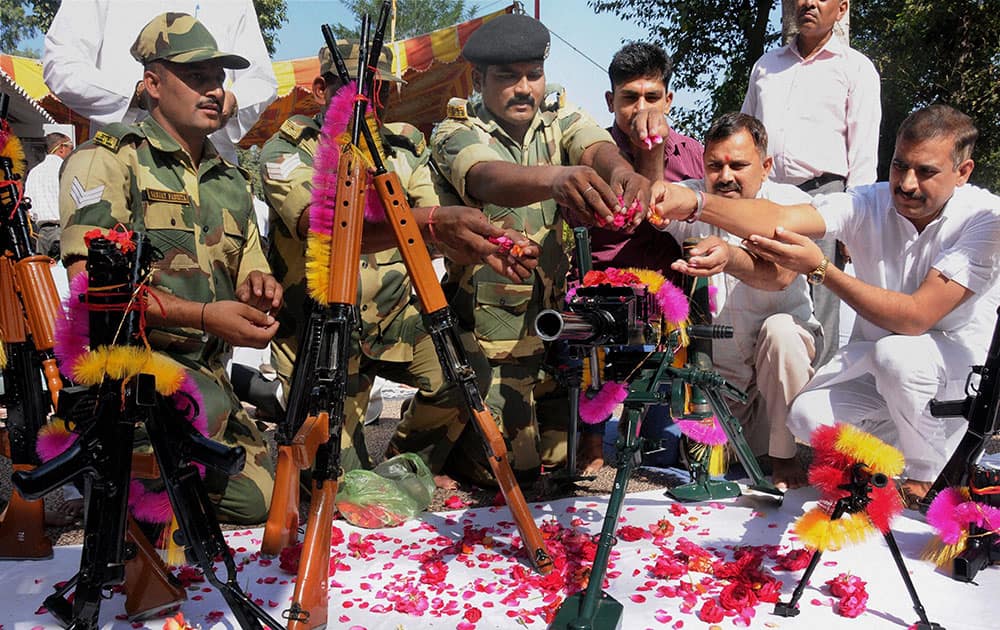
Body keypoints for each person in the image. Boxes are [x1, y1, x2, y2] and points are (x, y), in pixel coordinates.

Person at [654, 104, 1000, 505]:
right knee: (807, 416)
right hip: (875, 366)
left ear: (963, 172)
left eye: (925, 172)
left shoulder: (985, 219)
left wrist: (822, 270)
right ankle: (885, 464)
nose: (905, 184)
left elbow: (915, 317)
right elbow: (782, 218)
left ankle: (930, 476)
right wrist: (694, 203)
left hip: (952, 377)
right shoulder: (869, 202)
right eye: (899, 166)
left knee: (896, 356)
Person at [261, 41, 537, 487]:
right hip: (322, 332)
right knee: (340, 485)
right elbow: (326, 227)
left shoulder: (403, 147)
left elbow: (439, 228)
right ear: (319, 90)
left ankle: (408, 457)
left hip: (393, 318)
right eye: (355, 87)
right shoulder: (289, 150)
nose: (370, 101)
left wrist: (490, 244)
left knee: (465, 373)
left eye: (381, 91)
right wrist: (432, 224)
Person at [58, 12, 281, 524]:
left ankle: (154, 478)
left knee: (260, 502)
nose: (214, 92)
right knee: (177, 486)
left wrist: (259, 290)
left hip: (206, 371)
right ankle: (119, 474)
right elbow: (91, 288)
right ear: (153, 85)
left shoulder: (228, 179)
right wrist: (204, 316)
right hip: (131, 371)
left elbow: (251, 265)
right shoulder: (109, 160)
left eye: (218, 80)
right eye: (196, 78)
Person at [428, 14, 654, 483]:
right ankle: (441, 434)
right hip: (487, 338)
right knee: (514, 475)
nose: (524, 88)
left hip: (550, 331)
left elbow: (594, 146)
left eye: (533, 74)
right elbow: (486, 178)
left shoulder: (558, 118)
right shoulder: (454, 131)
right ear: (479, 81)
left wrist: (623, 174)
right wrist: (555, 178)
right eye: (508, 77)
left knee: (561, 458)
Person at [660, 113, 820, 488]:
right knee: (704, 468)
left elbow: (781, 276)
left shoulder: (788, 203)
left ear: (766, 167)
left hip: (775, 385)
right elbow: (655, 200)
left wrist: (730, 259)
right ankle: (748, 446)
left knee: (782, 333)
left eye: (738, 165)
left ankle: (785, 456)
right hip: (720, 386)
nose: (725, 176)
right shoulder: (693, 196)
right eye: (715, 165)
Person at [576, 41, 706, 473]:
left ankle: (665, 419)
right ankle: (590, 438)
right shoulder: (592, 153)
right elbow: (632, 219)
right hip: (604, 296)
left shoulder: (691, 154)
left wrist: (656, 154)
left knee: (660, 455)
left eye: (652, 97)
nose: (641, 109)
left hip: (670, 305)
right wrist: (647, 157)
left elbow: (666, 218)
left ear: (669, 100)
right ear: (611, 102)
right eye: (629, 98)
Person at [742, 0, 881, 366]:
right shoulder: (766, 67)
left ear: (842, 8)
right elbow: (747, 135)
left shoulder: (856, 69)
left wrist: (857, 222)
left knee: (822, 306)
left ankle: (815, 407)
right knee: (760, 289)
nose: (807, 3)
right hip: (769, 198)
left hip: (824, 200)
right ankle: (764, 394)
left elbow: (864, 148)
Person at [42, 0, 276, 165]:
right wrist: (135, 96)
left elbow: (261, 79)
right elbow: (61, 65)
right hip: (125, 159)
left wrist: (233, 101)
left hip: (209, 166)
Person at [23, 126, 73, 259]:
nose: (72, 152)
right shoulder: (65, 169)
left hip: (42, 234)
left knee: (46, 274)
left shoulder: (34, 172)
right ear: (61, 148)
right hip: (62, 230)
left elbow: (29, 206)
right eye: (71, 147)